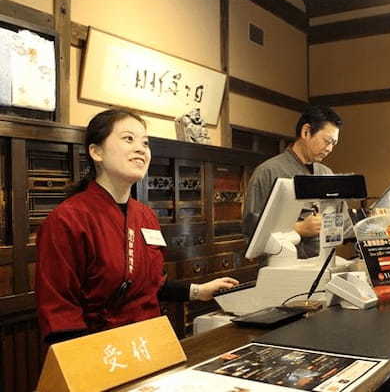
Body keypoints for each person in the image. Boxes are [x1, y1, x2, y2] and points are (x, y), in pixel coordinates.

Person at [36, 109, 238, 344]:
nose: (141, 149)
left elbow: (152, 284)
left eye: (145, 143)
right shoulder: (67, 220)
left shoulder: (145, 216)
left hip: (149, 342)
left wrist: (199, 291)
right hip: (102, 349)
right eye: (128, 139)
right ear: (96, 151)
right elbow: (58, 309)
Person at [243, 105, 343, 259]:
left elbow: (342, 223)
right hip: (282, 265)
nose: (329, 148)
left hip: (322, 262)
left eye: (333, 144)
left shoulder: (326, 173)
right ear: (306, 132)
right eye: (327, 141)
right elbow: (252, 233)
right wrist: (298, 229)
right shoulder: (267, 172)